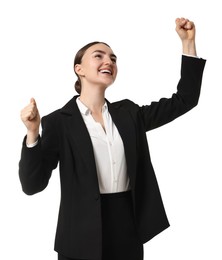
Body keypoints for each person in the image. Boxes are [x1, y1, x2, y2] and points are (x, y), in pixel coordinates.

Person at [19, 17, 206, 260]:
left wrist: (188, 44)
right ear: (79, 69)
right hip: (78, 238)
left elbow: (185, 100)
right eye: (99, 55)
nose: (109, 61)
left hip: (127, 229)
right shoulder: (59, 122)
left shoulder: (129, 114)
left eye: (113, 58)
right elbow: (32, 185)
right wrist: (33, 133)